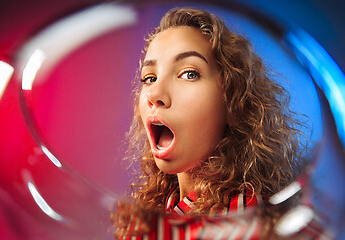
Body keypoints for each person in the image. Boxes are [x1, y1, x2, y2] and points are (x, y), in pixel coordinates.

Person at [113, 7, 329, 239]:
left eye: (189, 73)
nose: (154, 93)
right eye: (149, 78)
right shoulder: (161, 209)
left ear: (233, 100)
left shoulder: (246, 222)